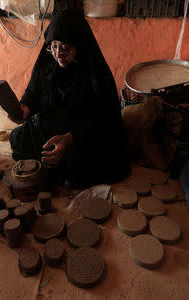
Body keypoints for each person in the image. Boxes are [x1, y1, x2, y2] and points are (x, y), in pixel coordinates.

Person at [9, 9, 130, 187]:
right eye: (54, 46)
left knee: (82, 164)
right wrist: (24, 108)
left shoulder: (93, 74)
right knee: (17, 138)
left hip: (80, 132)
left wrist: (71, 138)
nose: (58, 54)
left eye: (65, 48)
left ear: (79, 46)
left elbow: (103, 118)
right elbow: (32, 93)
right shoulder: (48, 64)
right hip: (51, 126)